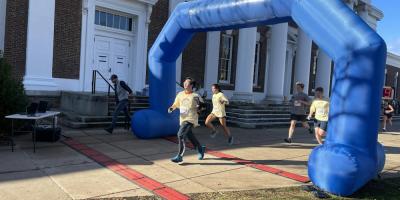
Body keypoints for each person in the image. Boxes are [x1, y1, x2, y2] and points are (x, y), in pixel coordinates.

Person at [168, 77, 206, 163]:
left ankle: (179, 156)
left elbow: (203, 106)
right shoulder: (180, 94)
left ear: (191, 85)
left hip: (191, 119)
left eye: (187, 83)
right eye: (184, 82)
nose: (185, 84)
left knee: (180, 135)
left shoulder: (196, 96)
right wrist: (171, 108)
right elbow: (175, 104)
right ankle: (200, 149)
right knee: (190, 136)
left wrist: (199, 109)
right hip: (183, 118)